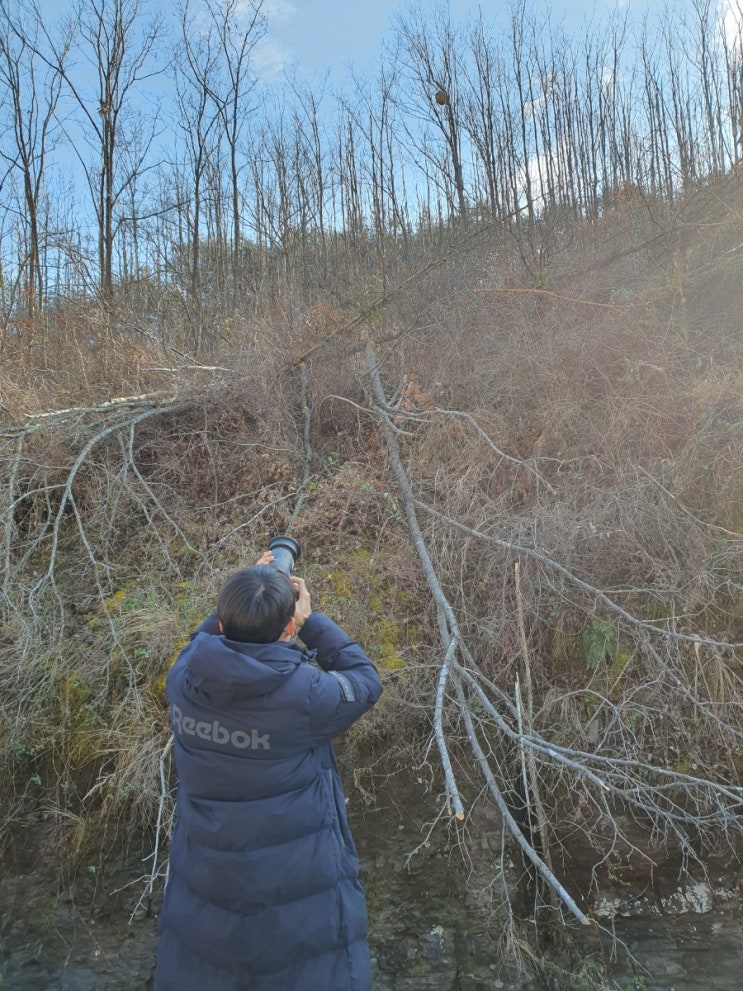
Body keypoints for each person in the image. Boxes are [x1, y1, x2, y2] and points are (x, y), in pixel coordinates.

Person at [152, 553, 383, 991]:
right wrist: (312, 619)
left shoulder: (182, 682)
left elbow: (198, 643)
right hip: (300, 910)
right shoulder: (307, 695)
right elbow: (365, 680)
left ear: (222, 623)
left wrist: (245, 592)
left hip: (205, 905)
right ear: (289, 630)